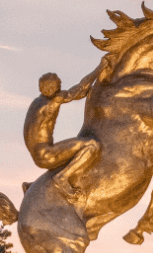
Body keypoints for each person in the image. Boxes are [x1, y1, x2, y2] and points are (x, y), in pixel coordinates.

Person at [23, 68, 100, 199]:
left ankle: (34, 184)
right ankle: (63, 178)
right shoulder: (53, 101)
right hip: (46, 153)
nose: (59, 89)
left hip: (38, 155)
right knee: (91, 145)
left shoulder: (36, 102)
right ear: (49, 88)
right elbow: (80, 90)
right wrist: (99, 69)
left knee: (72, 153)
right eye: (56, 86)